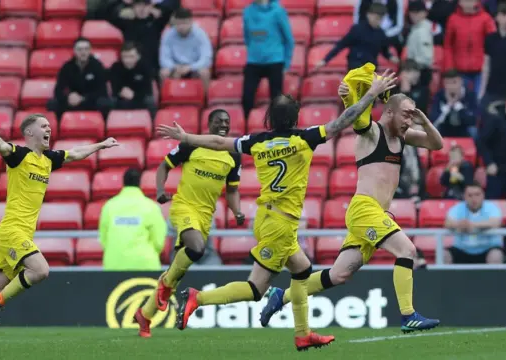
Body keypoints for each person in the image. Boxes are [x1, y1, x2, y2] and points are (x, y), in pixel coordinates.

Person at [157, 71, 398, 350]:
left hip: (268, 218)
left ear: (270, 118)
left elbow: (220, 142)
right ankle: (198, 299)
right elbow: (342, 122)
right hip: (280, 224)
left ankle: (303, 333)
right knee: (255, 289)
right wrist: (371, 93)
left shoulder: (258, 141)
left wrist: (186, 137)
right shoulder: (303, 139)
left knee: (303, 269)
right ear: (295, 118)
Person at [259, 71, 443, 334]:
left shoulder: (403, 137)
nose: (408, 120)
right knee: (408, 251)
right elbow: (357, 119)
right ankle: (408, 315)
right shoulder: (371, 133)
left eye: (411, 115)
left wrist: (423, 120)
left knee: (338, 275)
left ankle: (281, 296)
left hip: (376, 213)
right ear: (388, 112)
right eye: (405, 114)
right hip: (364, 209)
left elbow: (437, 144)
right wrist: (355, 97)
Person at [0, 114, 119, 344]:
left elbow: (74, 153)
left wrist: (101, 145)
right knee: (40, 270)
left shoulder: (48, 160)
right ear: (30, 132)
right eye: (43, 126)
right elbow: (2, 147)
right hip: (11, 231)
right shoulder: (20, 156)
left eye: (49, 126)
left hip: (21, 234)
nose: (49, 129)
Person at [134, 109, 245, 338]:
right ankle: (163, 287)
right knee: (196, 248)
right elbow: (164, 166)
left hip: (206, 216)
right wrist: (160, 191)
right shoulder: (192, 145)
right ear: (209, 124)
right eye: (218, 121)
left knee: (176, 274)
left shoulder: (233, 154)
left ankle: (145, 315)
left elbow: (232, 189)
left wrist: (237, 211)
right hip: (184, 207)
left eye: (227, 121)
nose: (223, 124)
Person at [99, 168, 168, 271]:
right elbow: (159, 242)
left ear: (123, 182)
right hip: (145, 265)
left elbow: (104, 239)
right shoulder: (150, 207)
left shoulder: (109, 206)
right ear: (139, 182)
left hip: (114, 265)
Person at [241, 0, 294, 119]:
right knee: (246, 98)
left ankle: (278, 129)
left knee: (276, 100)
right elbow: (247, 37)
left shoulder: (278, 11)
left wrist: (286, 63)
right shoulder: (247, 11)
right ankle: (246, 126)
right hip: (254, 61)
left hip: (275, 61)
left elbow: (289, 39)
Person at [314, 3, 399, 73]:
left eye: (381, 19)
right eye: (376, 18)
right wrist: (325, 60)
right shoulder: (357, 30)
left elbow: (385, 51)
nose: (378, 21)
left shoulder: (381, 34)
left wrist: (392, 58)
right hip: (355, 68)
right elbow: (341, 45)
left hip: (371, 69)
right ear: (369, 15)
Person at [47, 37, 112, 120]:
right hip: (72, 102)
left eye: (86, 49)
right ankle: (62, 128)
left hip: (90, 102)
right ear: (74, 51)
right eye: (80, 49)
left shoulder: (97, 66)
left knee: (105, 103)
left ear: (90, 50)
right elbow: (58, 89)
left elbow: (102, 91)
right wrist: (69, 96)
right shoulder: (67, 67)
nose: (83, 52)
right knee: (52, 104)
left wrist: (83, 98)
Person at [444, 182, 504, 264]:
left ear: (483, 195)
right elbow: (447, 223)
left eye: (477, 195)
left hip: (487, 248)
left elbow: (496, 222)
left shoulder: (492, 207)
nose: (473, 198)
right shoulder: (457, 208)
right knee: (444, 255)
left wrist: (472, 225)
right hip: (462, 249)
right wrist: (459, 224)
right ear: (464, 196)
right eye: (470, 195)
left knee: (496, 255)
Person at [159, 8, 213, 91]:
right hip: (176, 67)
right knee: (163, 72)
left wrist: (190, 67)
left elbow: (206, 59)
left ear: (191, 22)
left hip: (194, 67)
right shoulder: (168, 35)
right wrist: (174, 67)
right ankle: (164, 100)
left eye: (184, 23)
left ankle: (205, 100)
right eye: (178, 24)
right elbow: (164, 59)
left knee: (204, 72)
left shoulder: (201, 35)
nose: (181, 27)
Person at [109, 42, 157, 118]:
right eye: (125, 57)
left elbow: (147, 89)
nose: (127, 60)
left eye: (131, 57)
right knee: (108, 102)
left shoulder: (145, 68)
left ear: (138, 56)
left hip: (140, 99)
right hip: (120, 98)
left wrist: (134, 95)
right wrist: (121, 91)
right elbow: (114, 87)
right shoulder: (115, 67)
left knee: (150, 101)